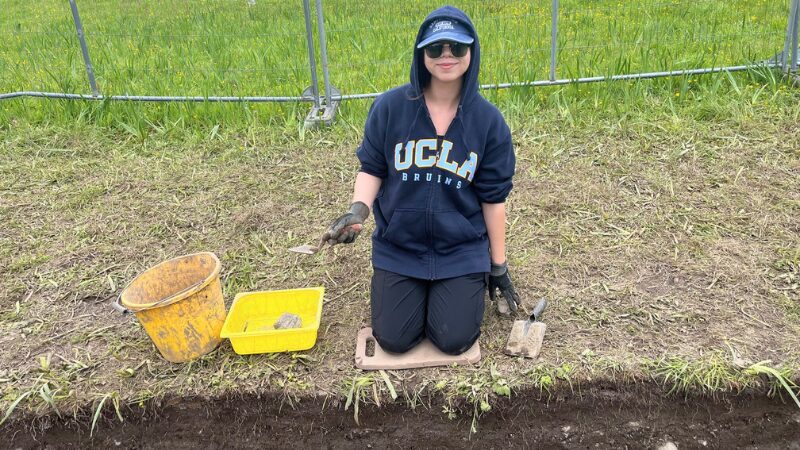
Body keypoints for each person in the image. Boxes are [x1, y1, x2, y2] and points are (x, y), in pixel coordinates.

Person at [324, 5, 520, 355]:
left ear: (471, 53)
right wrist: (357, 211)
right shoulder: (390, 108)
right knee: (394, 340)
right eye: (436, 48)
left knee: (454, 339)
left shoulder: (488, 122)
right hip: (400, 246)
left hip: (460, 249)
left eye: (457, 48)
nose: (446, 56)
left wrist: (498, 265)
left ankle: (459, 290)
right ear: (421, 53)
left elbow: (493, 198)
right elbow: (372, 168)